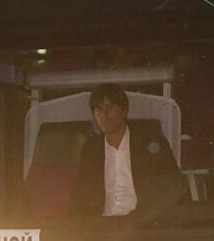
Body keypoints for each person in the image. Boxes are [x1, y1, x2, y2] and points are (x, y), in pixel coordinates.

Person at [69, 85, 184, 217]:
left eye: (110, 107)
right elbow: (80, 194)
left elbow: (171, 186)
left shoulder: (149, 143)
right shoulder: (91, 149)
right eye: (98, 109)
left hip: (141, 224)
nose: (104, 115)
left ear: (124, 111)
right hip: (102, 225)